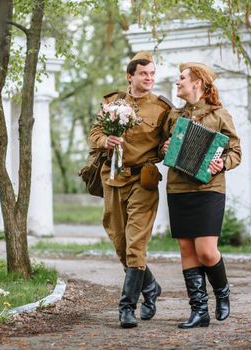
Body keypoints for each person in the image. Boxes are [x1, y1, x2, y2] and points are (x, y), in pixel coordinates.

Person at [87, 51, 173, 328]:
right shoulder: (113, 103)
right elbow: (94, 135)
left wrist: (165, 149)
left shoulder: (162, 108)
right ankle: (150, 288)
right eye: (144, 74)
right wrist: (105, 141)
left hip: (142, 181)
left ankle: (126, 308)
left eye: (152, 74)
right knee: (120, 243)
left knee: (136, 244)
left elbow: (165, 145)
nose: (149, 79)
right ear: (130, 76)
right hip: (112, 178)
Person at [162, 62, 241, 328]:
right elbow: (164, 150)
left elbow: (236, 151)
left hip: (209, 189)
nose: (178, 82)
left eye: (182, 78)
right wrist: (165, 148)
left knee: (206, 252)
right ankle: (199, 311)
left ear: (197, 82)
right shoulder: (174, 116)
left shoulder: (219, 114)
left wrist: (223, 163)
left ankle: (222, 293)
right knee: (187, 250)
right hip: (179, 189)